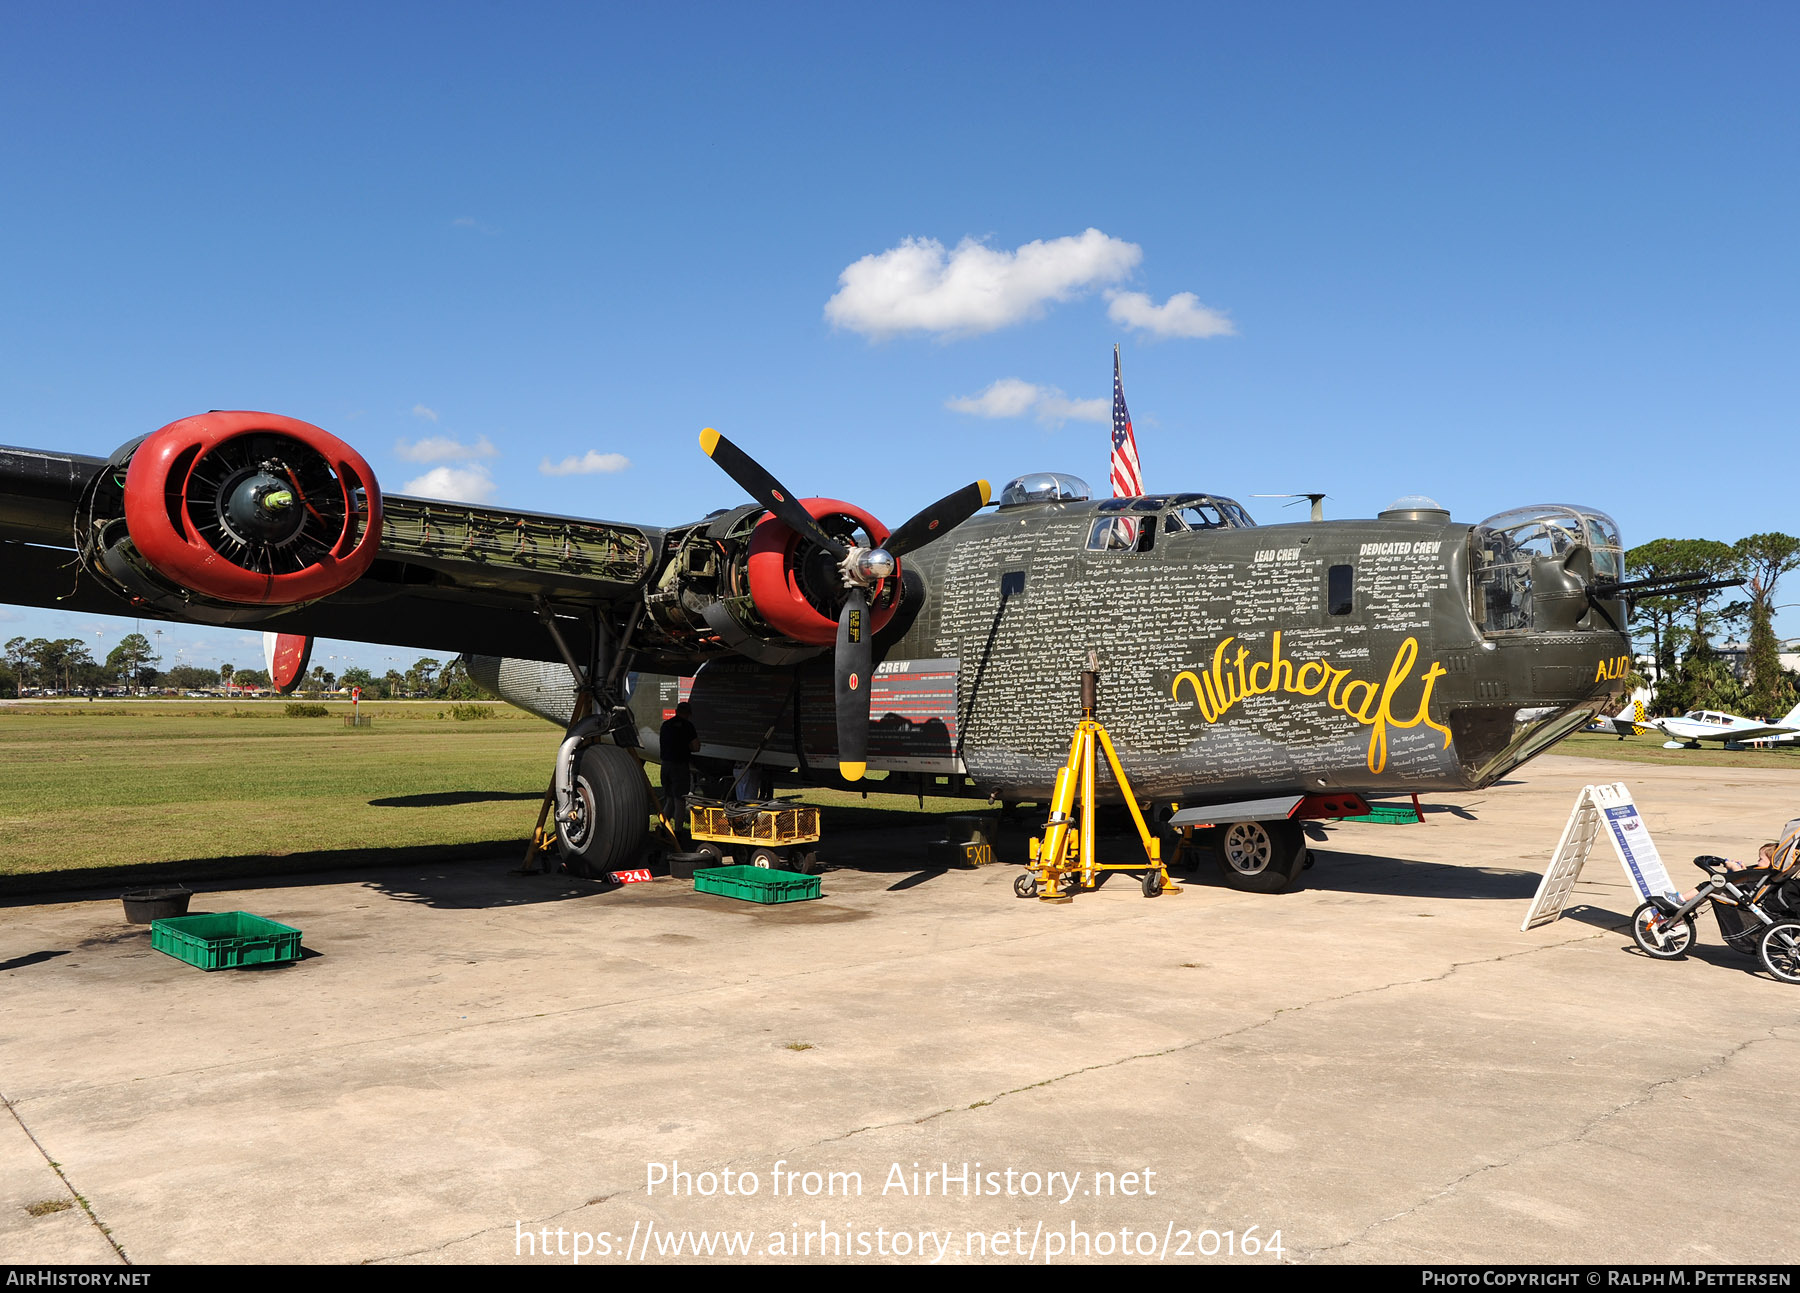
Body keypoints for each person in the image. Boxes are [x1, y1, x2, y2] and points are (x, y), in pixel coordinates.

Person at [659, 702, 700, 822]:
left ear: (676, 711)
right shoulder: (688, 726)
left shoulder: (665, 725)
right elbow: (696, 747)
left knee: (669, 799)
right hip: (679, 767)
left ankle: (664, 829)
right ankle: (678, 832)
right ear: (688, 714)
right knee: (680, 801)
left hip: (665, 766)